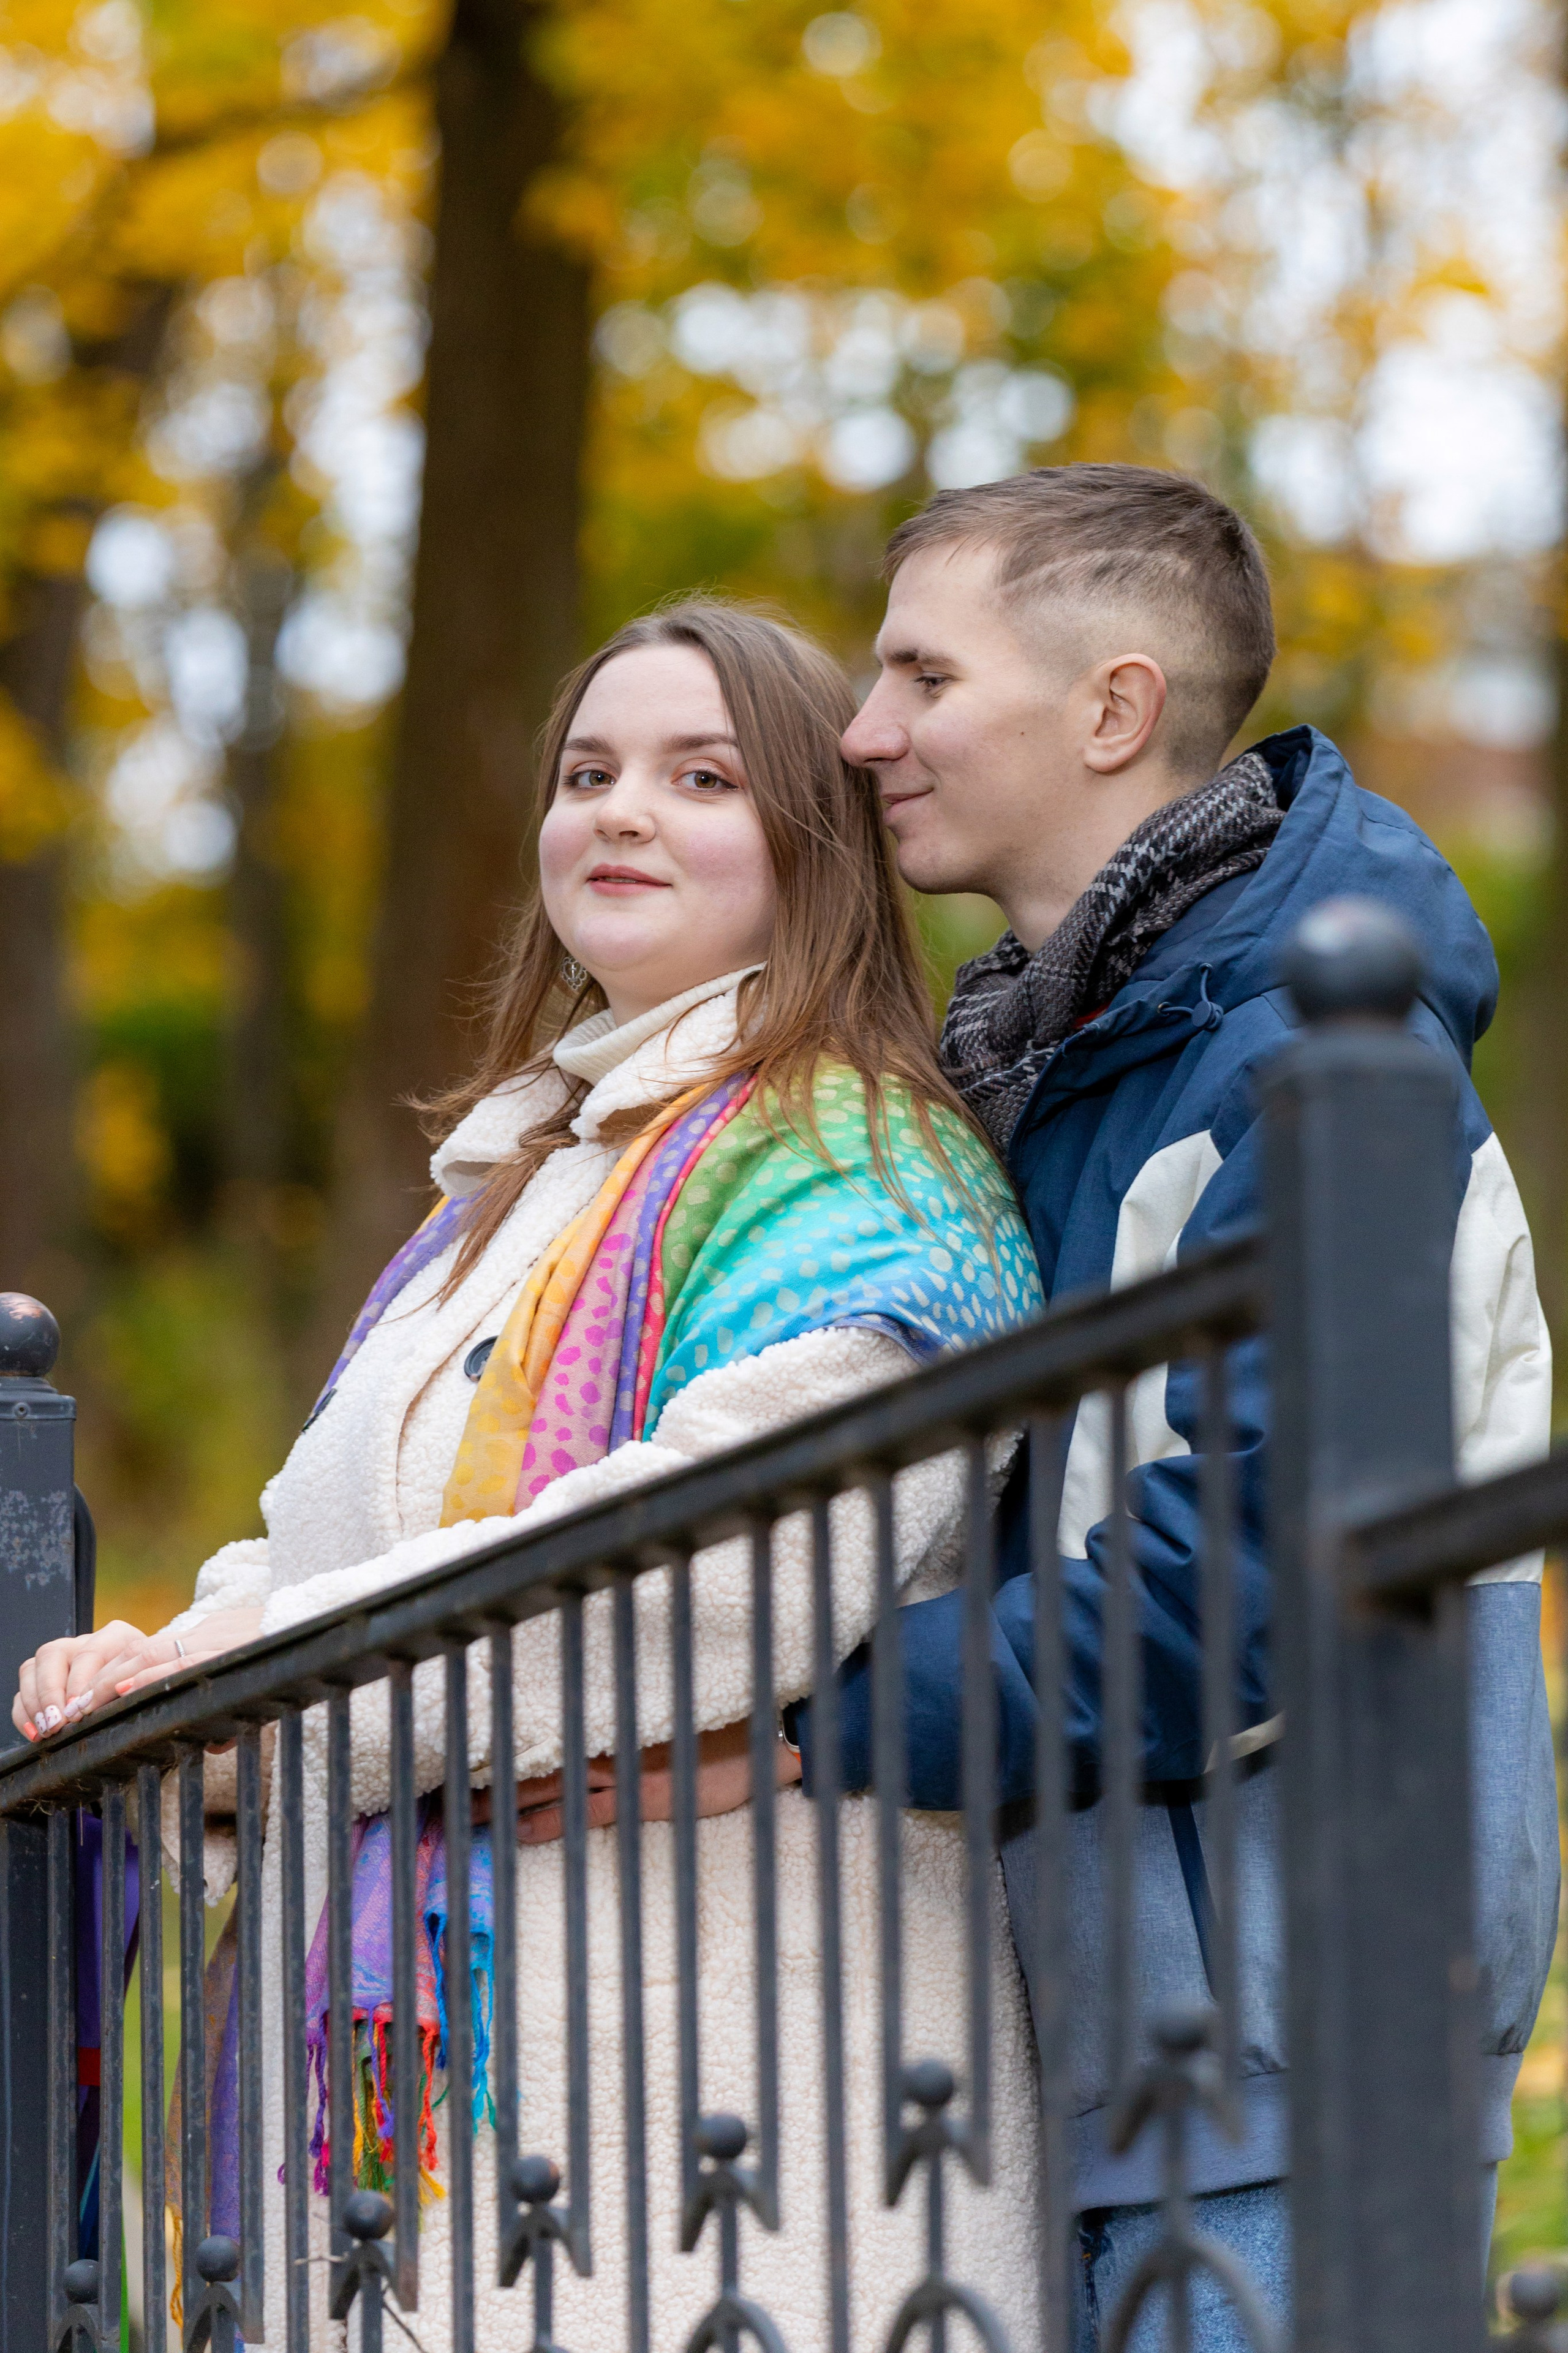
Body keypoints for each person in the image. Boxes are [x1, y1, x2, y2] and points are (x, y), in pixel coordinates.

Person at [13, 599, 1047, 2350]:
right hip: (436, 2113)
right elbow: (320, 1533)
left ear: (819, 842)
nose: (620, 811)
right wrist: (158, 1665)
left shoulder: (858, 1159)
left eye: (700, 776)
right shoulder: (504, 1187)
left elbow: (710, 1568)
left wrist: (241, 1697)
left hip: (722, 2076)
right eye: (589, 773)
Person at [817, 463, 1557, 2347]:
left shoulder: (1309, 1058)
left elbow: (1230, 1598)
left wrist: (793, 1722)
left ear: (1113, 709)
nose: (862, 730)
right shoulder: (1061, 1053)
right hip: (1130, 2015)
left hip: (1288, 2013)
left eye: (921, 675)